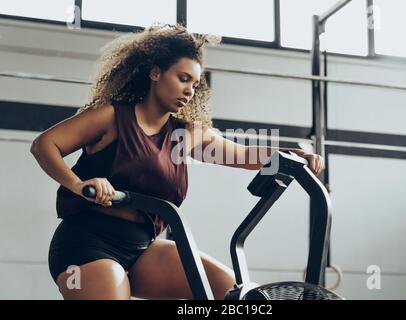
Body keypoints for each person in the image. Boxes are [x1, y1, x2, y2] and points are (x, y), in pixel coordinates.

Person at [30, 23, 324, 300]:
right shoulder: (111, 117)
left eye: (195, 84)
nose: (189, 90)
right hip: (86, 245)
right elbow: (45, 145)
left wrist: (293, 157)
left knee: (234, 292)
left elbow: (244, 155)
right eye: (183, 79)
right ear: (155, 73)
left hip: (143, 248)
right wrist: (78, 185)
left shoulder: (185, 134)